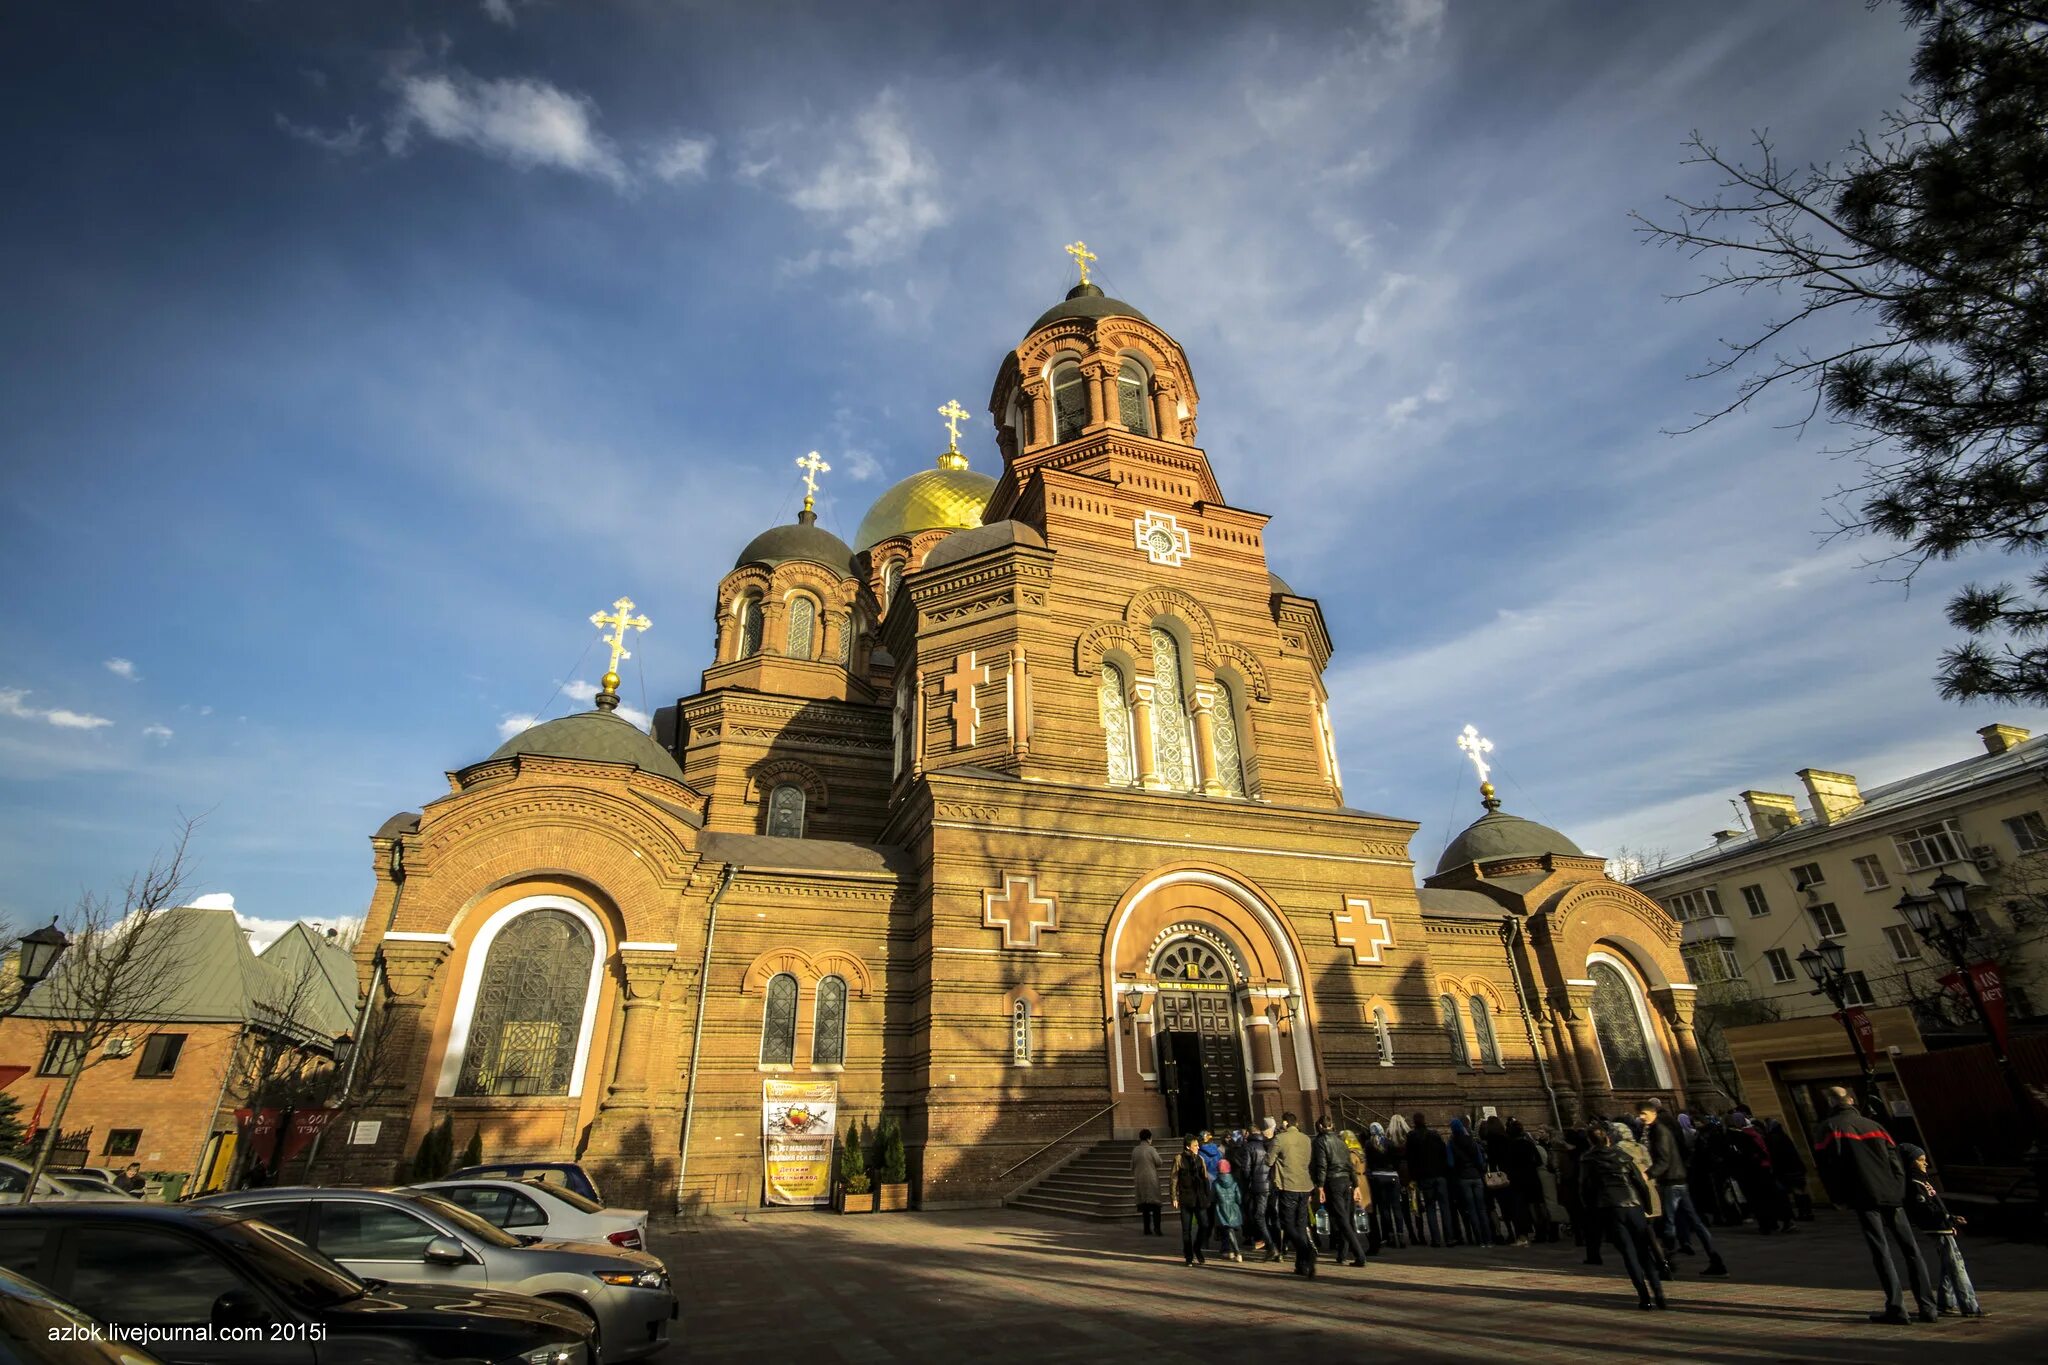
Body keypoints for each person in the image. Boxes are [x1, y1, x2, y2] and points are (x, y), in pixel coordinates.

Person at [1811, 1085, 1933, 1324]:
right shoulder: (1874, 1126)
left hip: (1863, 1195)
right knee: (1911, 1249)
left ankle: (1897, 1307)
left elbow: (1829, 1168)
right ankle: (1928, 1306)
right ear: (1851, 1100)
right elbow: (1895, 1160)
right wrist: (1898, 1189)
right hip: (1890, 1193)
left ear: (1831, 1103)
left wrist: (1838, 1197)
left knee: (1881, 1250)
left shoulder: (1828, 1128)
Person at [1579, 1123, 1667, 1310]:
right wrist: (1647, 1206)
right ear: (1607, 1138)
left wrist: (1592, 1211)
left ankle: (1644, 1297)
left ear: (1590, 1141)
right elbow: (1639, 1182)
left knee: (1629, 1254)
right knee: (1644, 1251)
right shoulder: (1622, 1156)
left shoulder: (1588, 1160)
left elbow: (1584, 1188)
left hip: (1609, 1207)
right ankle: (1659, 1293)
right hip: (1633, 1203)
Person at [1637, 1099, 1726, 1276]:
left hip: (1671, 1181)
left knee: (1669, 1223)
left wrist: (1647, 1174)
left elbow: (1664, 1159)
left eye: (1644, 1114)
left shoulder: (1659, 1131)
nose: (1641, 1117)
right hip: (1678, 1179)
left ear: (1653, 1113)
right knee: (1695, 1222)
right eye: (1640, 1114)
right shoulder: (1662, 1129)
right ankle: (1715, 1259)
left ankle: (1667, 1262)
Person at [1901, 1144, 1986, 1319]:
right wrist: (1947, 1218)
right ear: (1911, 1162)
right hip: (1935, 1227)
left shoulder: (1923, 1180)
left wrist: (1949, 1218)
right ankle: (1969, 1305)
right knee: (1956, 1265)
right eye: (1920, 1160)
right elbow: (1926, 1208)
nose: (1925, 1164)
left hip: (1942, 1225)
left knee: (1949, 1264)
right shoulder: (1914, 1183)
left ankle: (1946, 1302)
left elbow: (1936, 1204)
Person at [1310, 1116, 1368, 1267]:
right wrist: (1355, 1186)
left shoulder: (1320, 1142)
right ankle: (1342, 1253)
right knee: (1345, 1217)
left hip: (1332, 1181)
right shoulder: (1341, 1141)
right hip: (1346, 1181)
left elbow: (1321, 1165)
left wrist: (1320, 1186)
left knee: (1341, 1219)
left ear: (1320, 1126)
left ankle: (1359, 1254)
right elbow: (1349, 1165)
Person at [1270, 1112, 1318, 1277]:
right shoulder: (1306, 1139)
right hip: (1305, 1185)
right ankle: (1302, 1265)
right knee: (1301, 1224)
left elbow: (1269, 1160)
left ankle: (1306, 1251)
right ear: (1296, 1123)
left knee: (1288, 1223)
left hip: (1288, 1185)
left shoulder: (1280, 1139)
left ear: (1284, 1123)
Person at [1404, 1113, 1452, 1247]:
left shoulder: (1412, 1137)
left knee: (1430, 1208)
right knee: (1444, 1207)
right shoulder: (1434, 1135)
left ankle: (1436, 1239)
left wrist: (1413, 1177)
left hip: (1425, 1177)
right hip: (1440, 1175)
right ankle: (1449, 1238)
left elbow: (1410, 1159)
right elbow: (1443, 1153)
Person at [1447, 1117, 1492, 1247]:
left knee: (1471, 1209)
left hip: (1463, 1178)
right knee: (1482, 1209)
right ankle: (1488, 1239)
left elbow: (1450, 1163)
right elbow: (1479, 1159)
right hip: (1476, 1177)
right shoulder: (1471, 1140)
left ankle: (1479, 1239)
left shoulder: (1451, 1143)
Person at [1364, 1122, 1406, 1251]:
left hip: (1378, 1177)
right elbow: (1397, 1160)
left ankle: (1389, 1235)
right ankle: (1401, 1235)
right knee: (1396, 1207)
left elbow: (1368, 1163)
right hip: (1392, 1176)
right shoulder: (1389, 1143)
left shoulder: (1368, 1144)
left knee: (1384, 1209)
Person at [1764, 1117, 1814, 1221]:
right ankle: (1808, 1212)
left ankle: (1803, 1213)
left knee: (1796, 1190)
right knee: (1802, 1189)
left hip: (1787, 1168)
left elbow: (1776, 1156)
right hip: (1797, 1166)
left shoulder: (1773, 1138)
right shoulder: (1784, 1136)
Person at [1173, 1135, 1213, 1267]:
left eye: (1198, 1145)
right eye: (1195, 1145)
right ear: (1187, 1147)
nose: (1198, 1147)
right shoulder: (1179, 1159)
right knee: (1186, 1229)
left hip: (1199, 1198)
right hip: (1185, 1198)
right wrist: (1174, 1197)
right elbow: (1174, 1179)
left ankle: (1197, 1247)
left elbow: (1205, 1179)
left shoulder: (1200, 1159)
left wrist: (1207, 1196)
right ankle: (1188, 1256)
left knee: (1204, 1225)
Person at [1243, 1119, 1276, 1257]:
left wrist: (1248, 1181)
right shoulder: (1267, 1144)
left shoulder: (1249, 1147)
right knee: (1271, 1215)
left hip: (1258, 1186)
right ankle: (1276, 1245)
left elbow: (1246, 1169)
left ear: (1249, 1133)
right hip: (1271, 1184)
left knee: (1258, 1216)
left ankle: (1271, 1246)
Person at [1131, 1129, 1164, 1237]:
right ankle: (1157, 1228)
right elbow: (1159, 1162)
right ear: (1149, 1138)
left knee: (1145, 1207)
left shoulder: (1135, 1150)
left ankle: (1146, 1229)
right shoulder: (1151, 1149)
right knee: (1156, 1206)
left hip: (1140, 1181)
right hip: (1151, 1180)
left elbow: (1132, 1166)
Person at [1213, 1158, 1246, 1262]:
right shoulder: (1234, 1182)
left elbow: (1212, 1198)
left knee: (1228, 1229)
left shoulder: (1215, 1183)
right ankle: (1229, 1251)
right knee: (1229, 1229)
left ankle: (1237, 1252)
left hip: (1221, 1209)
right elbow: (1239, 1198)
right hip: (1233, 1208)